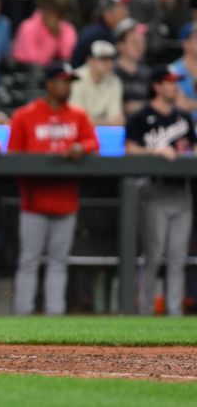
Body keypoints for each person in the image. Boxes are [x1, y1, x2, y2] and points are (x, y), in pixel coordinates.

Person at [8, 63, 99, 315]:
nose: (67, 85)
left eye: (70, 81)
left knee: (59, 263)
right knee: (29, 261)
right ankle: (22, 317)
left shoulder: (78, 116)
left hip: (66, 202)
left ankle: (54, 317)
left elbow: (93, 142)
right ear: (49, 84)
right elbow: (12, 157)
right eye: (62, 80)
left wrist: (81, 147)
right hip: (34, 203)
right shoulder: (25, 115)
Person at [125, 65, 197, 316]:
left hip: (182, 191)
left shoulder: (183, 118)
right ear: (156, 86)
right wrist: (154, 151)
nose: (173, 85)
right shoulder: (141, 117)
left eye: (175, 81)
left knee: (178, 259)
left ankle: (174, 313)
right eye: (168, 81)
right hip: (154, 189)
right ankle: (145, 313)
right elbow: (129, 150)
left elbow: (193, 148)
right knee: (153, 256)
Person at [69, 40, 124, 126]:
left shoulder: (115, 82)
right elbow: (77, 118)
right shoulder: (75, 78)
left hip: (104, 133)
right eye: (103, 59)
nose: (108, 63)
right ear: (89, 60)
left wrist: (94, 122)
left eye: (110, 59)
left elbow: (116, 120)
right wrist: (106, 122)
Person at [114, 18, 151, 117]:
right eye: (134, 42)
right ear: (120, 45)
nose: (140, 46)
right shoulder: (111, 73)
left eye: (142, 42)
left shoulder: (148, 74)